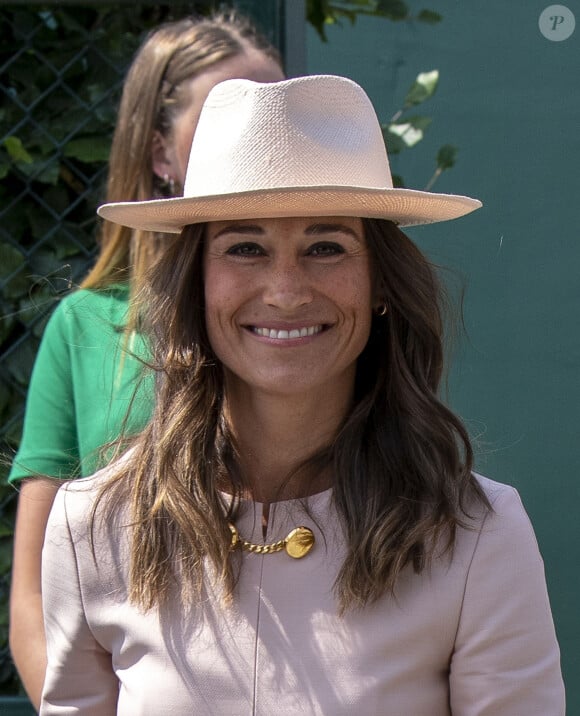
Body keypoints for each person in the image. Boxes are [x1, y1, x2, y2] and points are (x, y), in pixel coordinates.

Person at [40, 75, 564, 715]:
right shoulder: (93, 527)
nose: (286, 290)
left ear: (379, 285)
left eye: (325, 246)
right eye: (245, 248)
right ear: (196, 286)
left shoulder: (478, 535)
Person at [8, 12, 284, 709]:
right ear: (161, 152)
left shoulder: (312, 321)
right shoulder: (84, 325)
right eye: (232, 118)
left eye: (281, 113)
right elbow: (35, 589)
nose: (265, 141)